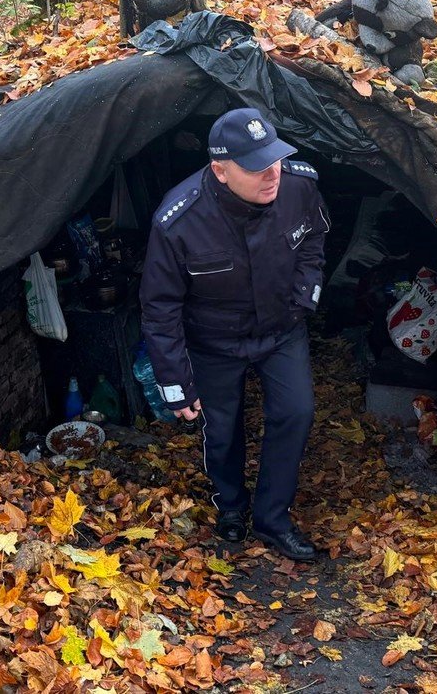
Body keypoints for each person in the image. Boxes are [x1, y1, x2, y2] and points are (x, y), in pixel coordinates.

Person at [139, 108, 329, 561]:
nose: (272, 174)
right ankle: (230, 505)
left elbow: (316, 240)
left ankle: (272, 519)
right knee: (220, 429)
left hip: (282, 329)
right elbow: (160, 306)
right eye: (256, 166)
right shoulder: (178, 220)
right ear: (220, 171)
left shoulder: (299, 185)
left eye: (276, 159)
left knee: (296, 412)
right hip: (215, 341)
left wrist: (306, 296)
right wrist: (175, 381)